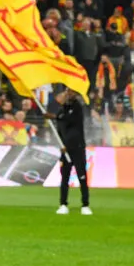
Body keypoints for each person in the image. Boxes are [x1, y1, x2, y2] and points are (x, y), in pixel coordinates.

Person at [47, 87, 91, 215]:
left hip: (77, 148)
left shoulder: (77, 107)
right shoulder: (63, 108)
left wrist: (54, 116)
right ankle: (63, 204)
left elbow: (70, 122)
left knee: (82, 176)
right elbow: (61, 127)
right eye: (67, 91)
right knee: (64, 177)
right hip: (65, 149)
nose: (68, 93)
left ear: (76, 93)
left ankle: (85, 205)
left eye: (71, 91)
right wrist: (61, 143)